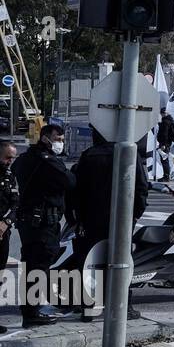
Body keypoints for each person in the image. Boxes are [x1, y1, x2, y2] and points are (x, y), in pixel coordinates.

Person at [71, 130, 148, 319]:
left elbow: (77, 189)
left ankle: (89, 307)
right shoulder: (129, 152)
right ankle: (123, 306)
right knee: (121, 261)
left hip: (92, 217)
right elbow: (141, 188)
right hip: (122, 218)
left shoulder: (88, 155)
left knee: (91, 262)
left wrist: (79, 218)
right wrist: (136, 214)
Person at [11, 124, 74, 327]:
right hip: (43, 223)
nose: (60, 143)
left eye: (62, 139)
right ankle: (32, 312)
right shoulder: (47, 161)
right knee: (39, 266)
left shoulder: (24, 159)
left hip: (28, 221)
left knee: (31, 264)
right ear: (46, 138)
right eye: (58, 138)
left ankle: (30, 309)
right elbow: (69, 181)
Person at [0, 142, 18, 332]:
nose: (10, 161)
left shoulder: (9, 176)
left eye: (12, 158)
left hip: (3, 232)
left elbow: (15, 204)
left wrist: (6, 223)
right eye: (7, 157)